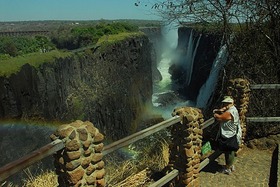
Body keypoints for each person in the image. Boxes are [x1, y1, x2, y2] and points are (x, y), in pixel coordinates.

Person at [213, 96, 241, 175]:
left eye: (227, 103)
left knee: (228, 151)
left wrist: (215, 113)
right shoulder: (233, 109)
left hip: (228, 135)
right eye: (225, 103)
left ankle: (227, 168)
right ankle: (230, 166)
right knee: (230, 151)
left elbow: (219, 118)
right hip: (232, 133)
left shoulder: (230, 112)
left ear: (231, 103)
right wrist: (221, 110)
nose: (225, 104)